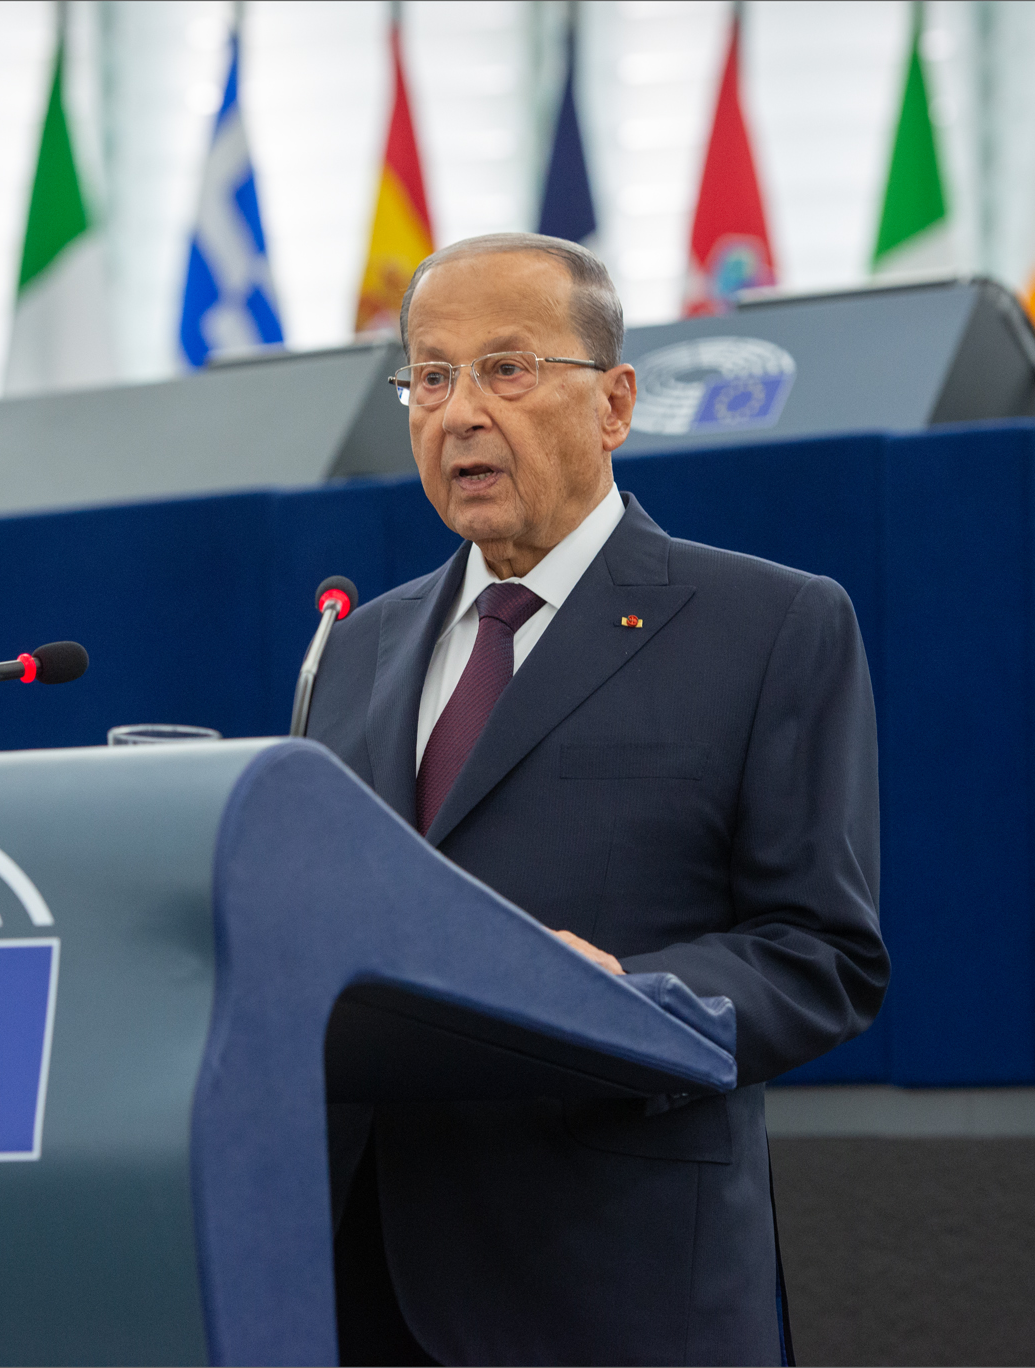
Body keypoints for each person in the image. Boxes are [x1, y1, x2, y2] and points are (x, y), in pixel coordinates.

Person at [304, 232, 888, 1366]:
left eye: (505, 370)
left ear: (614, 404)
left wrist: (631, 995)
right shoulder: (356, 646)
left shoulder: (767, 627)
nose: (459, 412)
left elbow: (822, 953)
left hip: (607, 1279)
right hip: (356, 1276)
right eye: (428, 377)